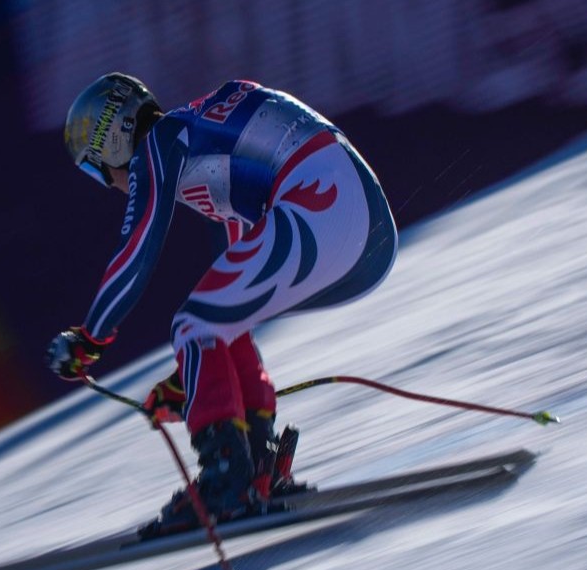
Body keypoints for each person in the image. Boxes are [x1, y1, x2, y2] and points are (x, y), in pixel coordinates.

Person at [46, 72, 398, 538]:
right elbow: (232, 310)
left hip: (324, 209)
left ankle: (226, 483)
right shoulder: (205, 139)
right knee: (210, 323)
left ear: (113, 142)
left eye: (96, 169)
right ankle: (256, 469)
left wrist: (91, 338)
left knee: (193, 324)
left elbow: (137, 251)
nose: (107, 183)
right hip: (366, 230)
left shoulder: (161, 141)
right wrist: (191, 381)